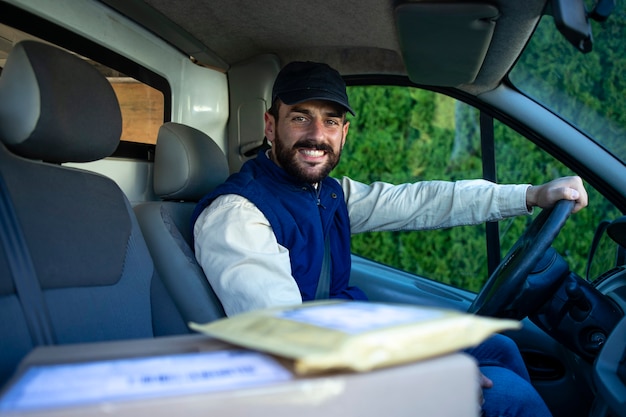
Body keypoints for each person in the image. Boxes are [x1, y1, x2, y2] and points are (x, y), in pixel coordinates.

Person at [192, 61, 588, 417]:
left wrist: (529, 195)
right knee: (509, 397)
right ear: (269, 125)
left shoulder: (325, 194)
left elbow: (419, 201)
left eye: (331, 122)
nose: (317, 135)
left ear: (344, 133)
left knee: (500, 348)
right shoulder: (236, 215)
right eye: (300, 117)